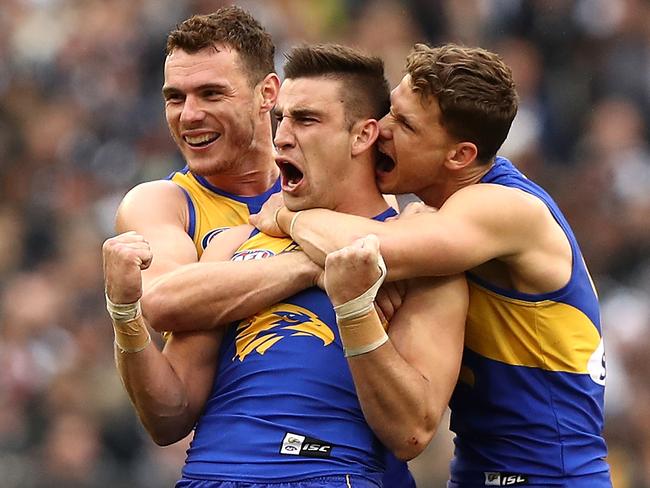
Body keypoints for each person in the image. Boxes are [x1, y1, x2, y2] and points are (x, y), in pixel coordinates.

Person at [252, 43, 612, 488]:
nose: (380, 130)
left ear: (459, 155)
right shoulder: (441, 215)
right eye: (391, 111)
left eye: (404, 125)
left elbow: (368, 251)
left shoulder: (505, 207)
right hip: (476, 473)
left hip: (550, 478)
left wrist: (289, 214)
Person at [100, 9, 421, 486]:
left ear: (268, 94)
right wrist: (309, 265)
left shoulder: (346, 184)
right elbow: (165, 303)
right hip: (232, 461)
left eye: (211, 93)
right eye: (175, 98)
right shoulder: (166, 204)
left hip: (352, 468)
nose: (189, 115)